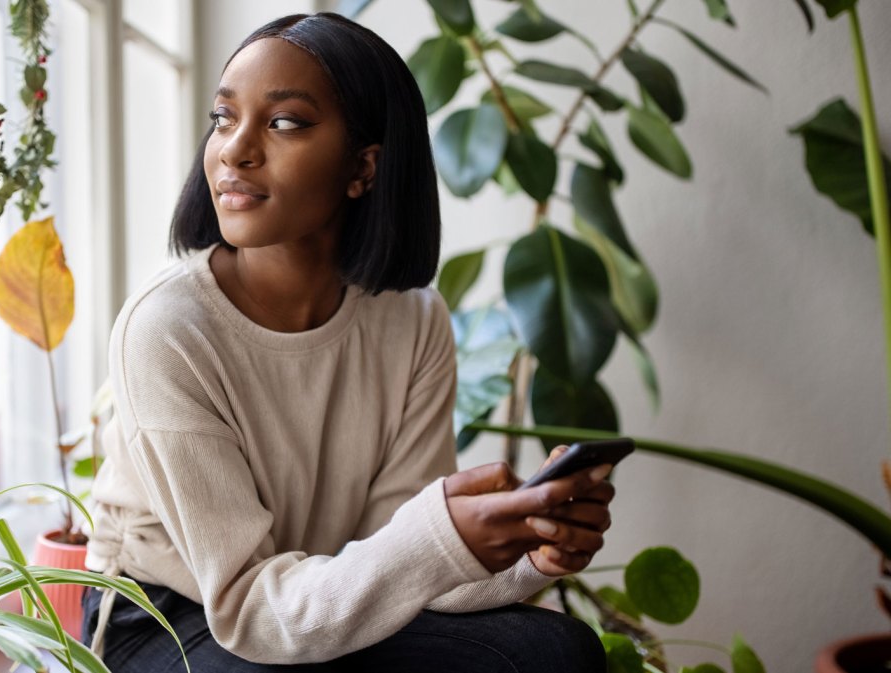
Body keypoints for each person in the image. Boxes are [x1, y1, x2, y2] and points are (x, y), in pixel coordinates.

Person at [80, 12, 614, 672]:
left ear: (363, 167)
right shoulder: (167, 329)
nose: (234, 149)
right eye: (224, 117)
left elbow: (397, 558)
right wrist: (433, 536)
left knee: (557, 650)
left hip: (322, 592)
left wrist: (530, 552)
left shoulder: (412, 321)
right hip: (174, 613)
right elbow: (250, 604)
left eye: (282, 123)